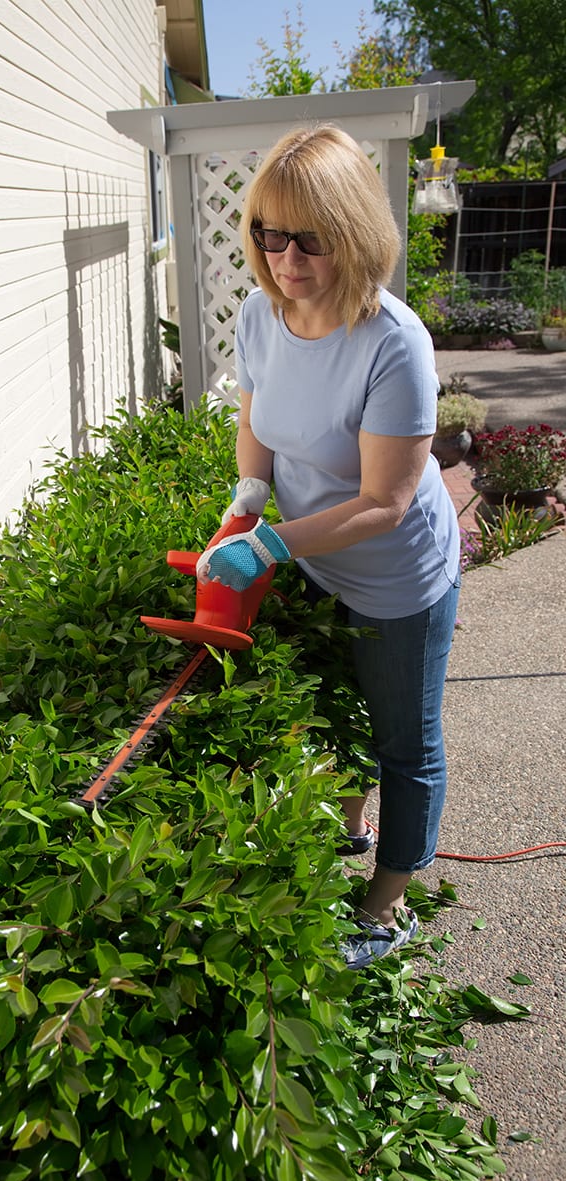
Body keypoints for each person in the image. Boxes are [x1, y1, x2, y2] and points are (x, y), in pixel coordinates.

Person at [196, 125, 461, 970]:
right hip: (307, 552)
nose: (284, 257)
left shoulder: (393, 343)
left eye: (307, 238)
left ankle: (386, 909)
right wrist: (248, 499)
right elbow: (255, 416)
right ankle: (351, 834)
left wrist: (268, 544)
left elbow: (383, 501)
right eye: (268, 234)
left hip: (395, 575)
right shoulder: (259, 314)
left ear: (352, 234)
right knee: (335, 712)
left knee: (404, 743)